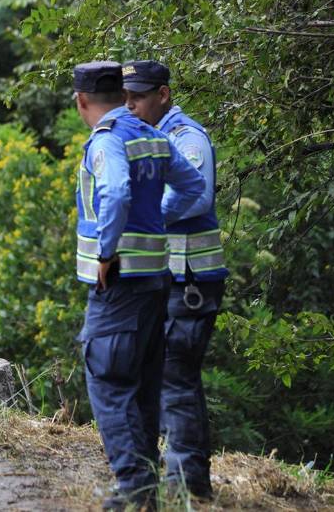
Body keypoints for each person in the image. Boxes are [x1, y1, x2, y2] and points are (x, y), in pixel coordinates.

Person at [72, 61, 205, 510]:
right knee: (145, 387)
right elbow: (192, 187)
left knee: (109, 382)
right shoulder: (154, 135)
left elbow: (115, 193)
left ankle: (133, 490)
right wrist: (157, 226)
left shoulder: (107, 140)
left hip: (119, 283)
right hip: (155, 281)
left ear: (81, 101)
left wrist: (107, 252)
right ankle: (146, 488)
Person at [123, 60, 229, 500]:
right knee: (162, 375)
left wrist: (139, 213)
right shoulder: (140, 137)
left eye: (139, 96)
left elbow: (196, 195)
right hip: (163, 280)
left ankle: (187, 484)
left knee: (176, 376)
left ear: (163, 95)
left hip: (191, 282)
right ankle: (180, 478)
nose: (130, 104)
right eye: (125, 96)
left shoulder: (187, 138)